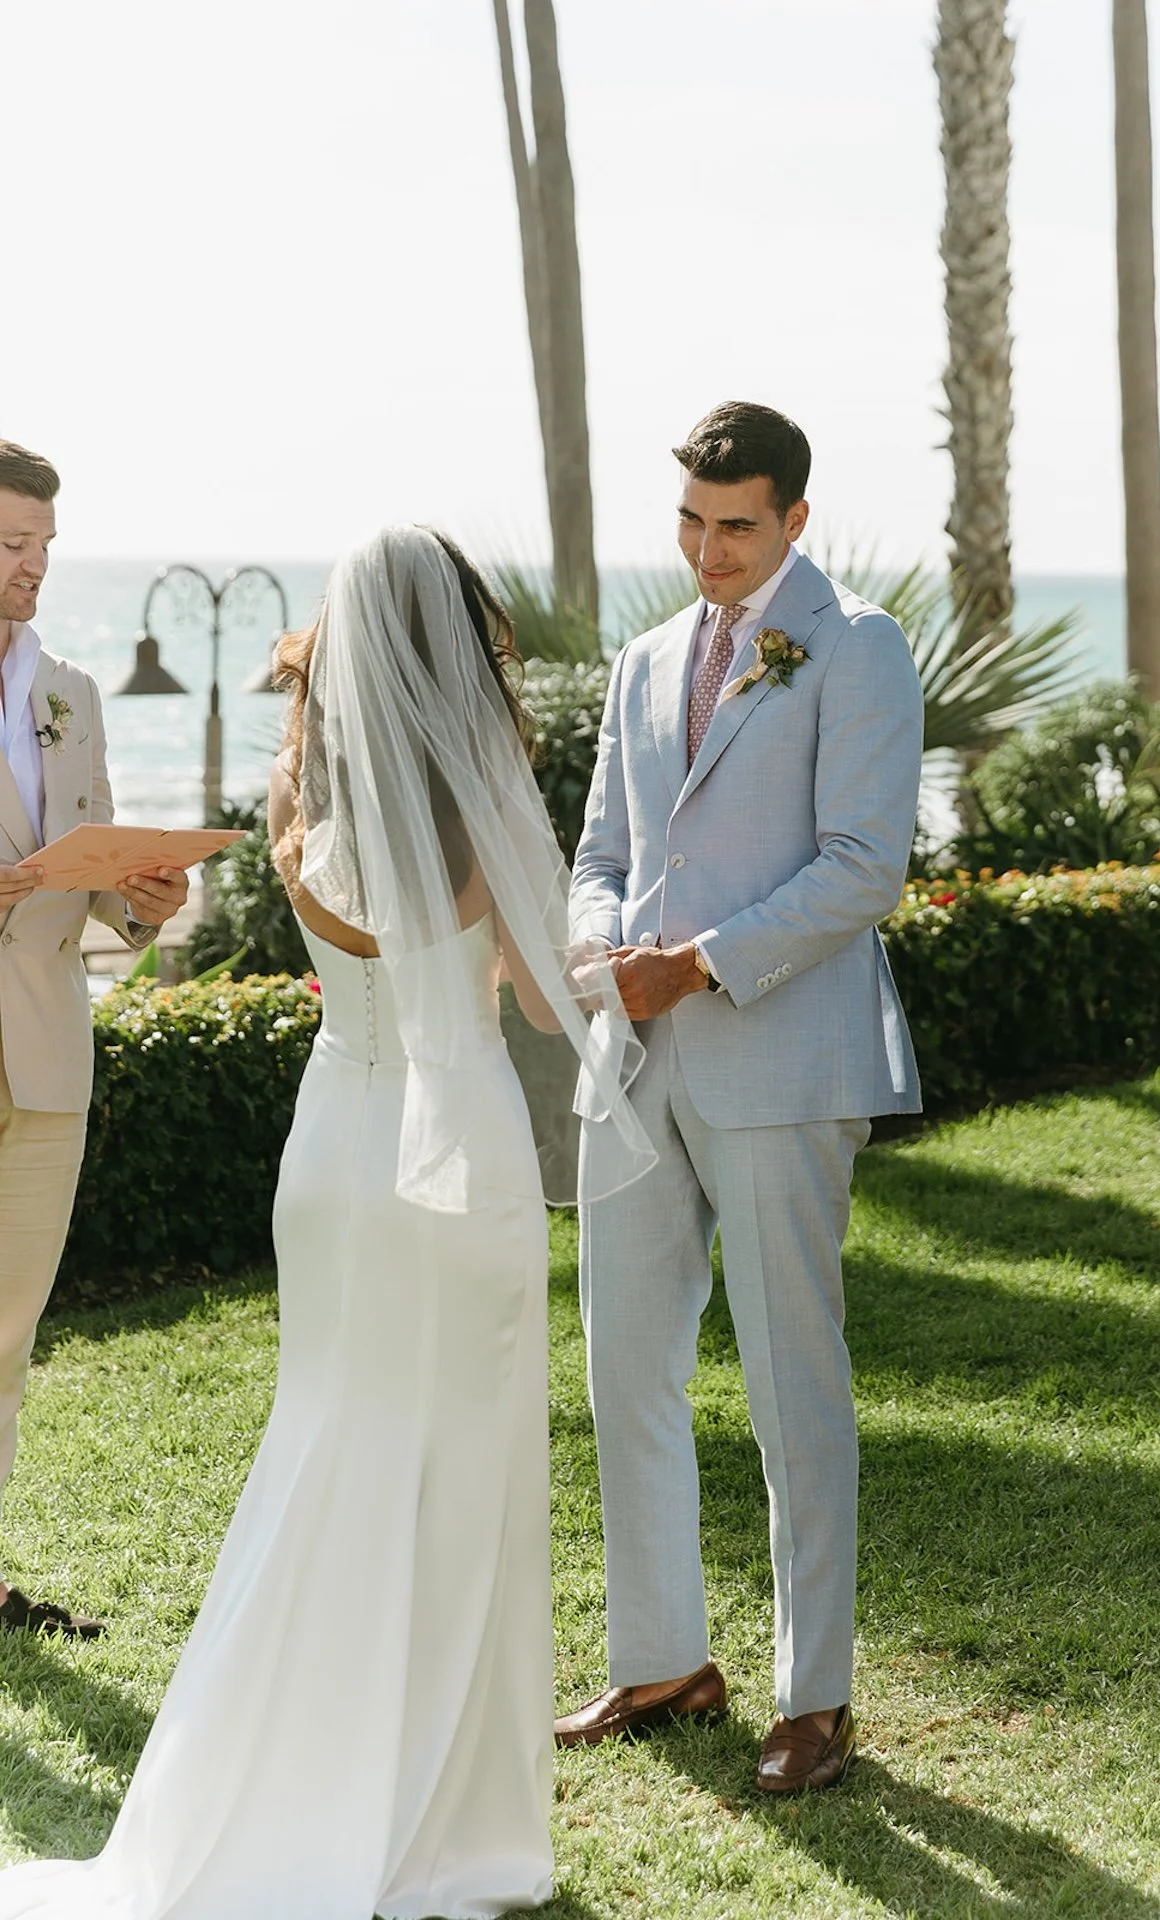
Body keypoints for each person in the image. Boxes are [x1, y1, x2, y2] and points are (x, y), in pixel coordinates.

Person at [0, 525, 653, 1920]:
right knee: (460, 1470)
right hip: (453, 1152)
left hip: (335, 1150)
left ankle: (295, 1777)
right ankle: (440, 1817)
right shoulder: (485, 794)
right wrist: (641, 963)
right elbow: (546, 999)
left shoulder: (302, 783)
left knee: (328, 1448)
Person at [558, 402, 924, 1793]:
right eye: (694, 525)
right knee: (625, 1374)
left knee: (791, 1382)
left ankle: (813, 1698)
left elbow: (862, 863)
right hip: (631, 1063)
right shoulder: (646, 660)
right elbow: (600, 847)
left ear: (795, 522)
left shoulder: (857, 644)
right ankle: (660, 1659)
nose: (711, 552)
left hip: (779, 1063)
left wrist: (697, 969)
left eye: (739, 527)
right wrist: (597, 947)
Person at [0, 440, 188, 1640]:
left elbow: (98, 854)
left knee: (8, 1331)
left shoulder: (68, 689)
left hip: (47, 1056)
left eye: (46, 548)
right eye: (16, 546)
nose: (35, 569)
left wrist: (144, 898)